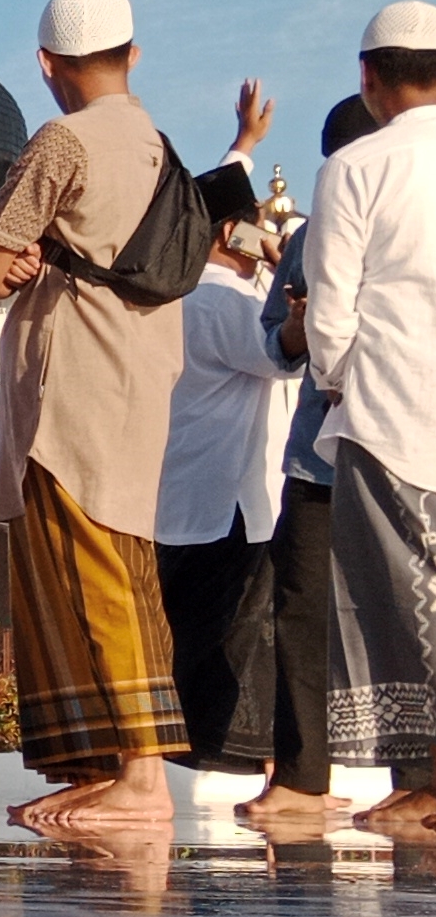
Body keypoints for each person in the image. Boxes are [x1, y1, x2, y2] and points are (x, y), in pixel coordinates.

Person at [0, 0, 266, 833]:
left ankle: (135, 779)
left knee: (92, 572)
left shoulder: (60, 142)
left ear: (45, 64)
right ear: (132, 56)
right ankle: (102, 768)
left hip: (71, 383)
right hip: (137, 377)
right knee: (100, 566)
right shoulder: (154, 144)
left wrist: (21, 265)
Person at [298, 0, 436, 830]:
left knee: (396, 598)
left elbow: (329, 310)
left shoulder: (354, 167)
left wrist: (338, 377)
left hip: (389, 409)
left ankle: (423, 780)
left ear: (368, 77)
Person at [241, 94, 378, 833]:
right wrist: (295, 332)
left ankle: (419, 779)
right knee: (301, 614)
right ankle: (298, 778)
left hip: (405, 449)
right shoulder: (317, 234)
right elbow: (275, 341)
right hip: (321, 457)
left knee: (408, 611)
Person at [153, 214, 290, 775]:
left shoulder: (175, 300)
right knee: (237, 634)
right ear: (232, 232)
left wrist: (245, 147)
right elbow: (287, 354)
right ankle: (243, 761)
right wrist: (289, 273)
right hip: (226, 503)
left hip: (178, 499)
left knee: (187, 632)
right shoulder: (228, 302)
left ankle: (177, 754)